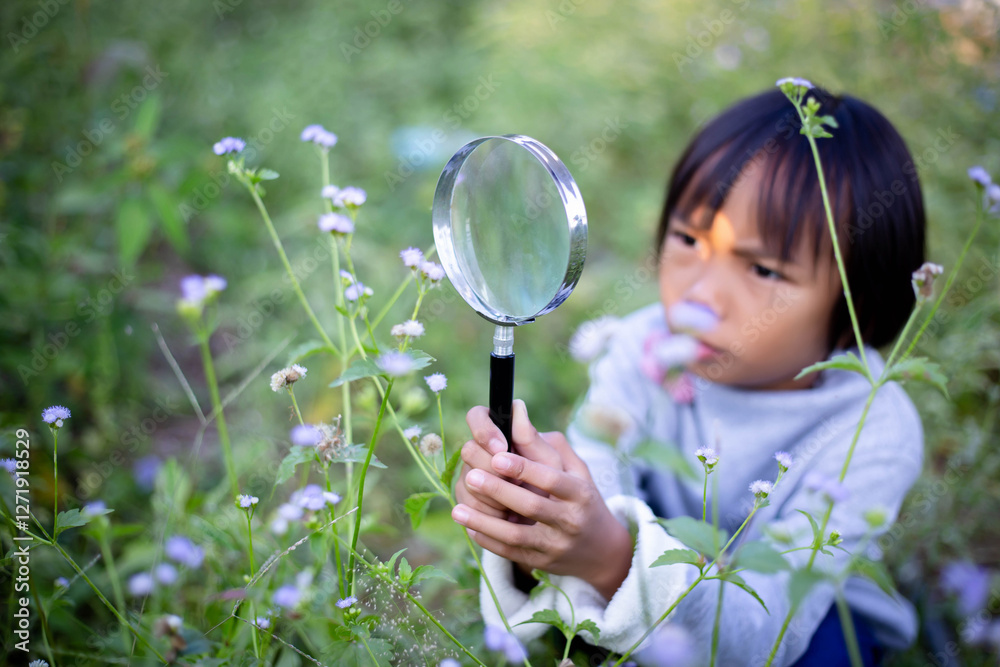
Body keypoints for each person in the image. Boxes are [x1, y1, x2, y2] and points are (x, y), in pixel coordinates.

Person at [450, 83, 928, 666]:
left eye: (762, 268)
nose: (702, 293)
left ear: (861, 305)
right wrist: (535, 530)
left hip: (801, 631)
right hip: (648, 605)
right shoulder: (639, 349)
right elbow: (599, 477)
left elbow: (765, 631)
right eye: (688, 239)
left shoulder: (872, 428)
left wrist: (608, 557)